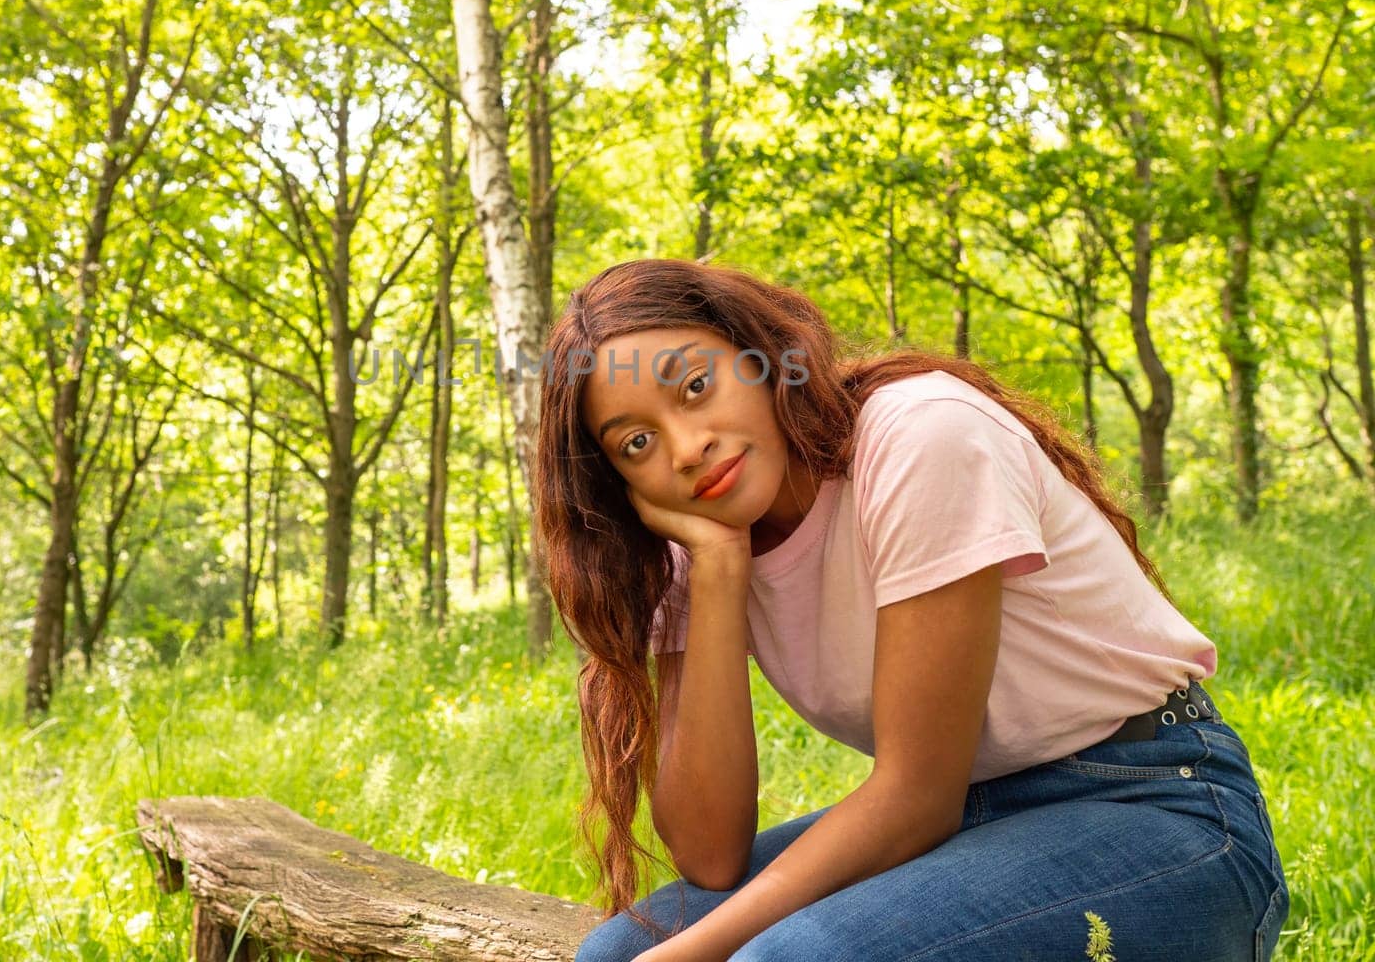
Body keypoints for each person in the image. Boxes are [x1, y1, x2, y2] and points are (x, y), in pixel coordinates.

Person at [534, 258, 1288, 962]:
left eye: (695, 387)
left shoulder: (918, 433)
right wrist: (722, 568)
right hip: (980, 814)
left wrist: (691, 954)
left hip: (1160, 805)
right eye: (637, 442)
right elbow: (710, 852)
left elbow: (916, 801)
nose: (687, 448)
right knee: (611, 953)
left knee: (787, 959)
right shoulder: (690, 541)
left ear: (759, 357)